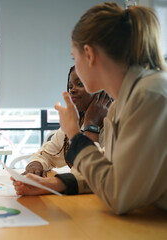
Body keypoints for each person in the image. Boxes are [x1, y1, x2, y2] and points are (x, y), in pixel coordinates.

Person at [53, 2, 167, 214]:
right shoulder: (122, 103)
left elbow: (117, 194)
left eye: (73, 58)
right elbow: (113, 173)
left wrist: (75, 135)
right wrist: (61, 183)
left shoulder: (149, 95)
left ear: (89, 54)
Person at [13, 66, 111, 196]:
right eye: (70, 86)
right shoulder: (77, 123)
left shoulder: (115, 125)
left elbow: (92, 174)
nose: (73, 90)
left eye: (80, 84)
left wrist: (91, 125)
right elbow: (46, 154)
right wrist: (35, 166)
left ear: (102, 91)